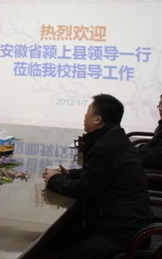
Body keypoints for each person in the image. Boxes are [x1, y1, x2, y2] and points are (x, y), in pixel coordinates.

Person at [42, 94, 153, 259]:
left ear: (97, 119)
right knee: (56, 242)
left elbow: (85, 190)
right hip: (113, 222)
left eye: (88, 111)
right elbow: (97, 173)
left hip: (120, 233)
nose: (84, 116)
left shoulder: (105, 147)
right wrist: (69, 174)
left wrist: (54, 180)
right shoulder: (114, 138)